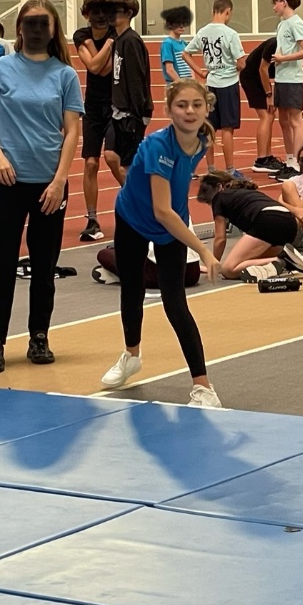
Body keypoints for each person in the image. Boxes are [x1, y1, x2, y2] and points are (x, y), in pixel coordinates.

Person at [100, 79, 222, 406]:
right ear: (168, 110)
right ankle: (131, 356)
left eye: (196, 105)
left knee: (175, 303)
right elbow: (161, 210)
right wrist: (203, 249)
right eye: (181, 105)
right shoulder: (157, 147)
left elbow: (170, 209)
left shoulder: (204, 140)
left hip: (169, 226)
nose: (189, 111)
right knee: (132, 289)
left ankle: (203, 387)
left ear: (206, 108)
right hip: (134, 218)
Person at [0, 0, 83, 372]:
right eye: (30, 23)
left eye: (43, 23)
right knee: (3, 265)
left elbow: (72, 132)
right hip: (9, 181)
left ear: (53, 30)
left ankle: (39, 336)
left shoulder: (65, 75)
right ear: (20, 27)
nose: (37, 29)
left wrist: (59, 181)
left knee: (44, 266)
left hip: (49, 186)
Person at [196, 168, 303, 282]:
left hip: (268, 221)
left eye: (208, 199)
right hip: (289, 223)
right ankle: (279, 261)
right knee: (247, 262)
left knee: (228, 270)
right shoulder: (245, 192)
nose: (209, 204)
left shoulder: (219, 198)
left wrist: (212, 263)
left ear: (219, 187)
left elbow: (220, 239)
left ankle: (283, 261)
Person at [184, 0, 247, 173]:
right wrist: (235, 67)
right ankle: (230, 169)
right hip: (228, 83)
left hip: (211, 84)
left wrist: (200, 72)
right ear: (228, 12)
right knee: (227, 128)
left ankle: (211, 168)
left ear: (213, 11)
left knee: (209, 128)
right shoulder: (230, 34)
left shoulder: (202, 32)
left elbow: (186, 54)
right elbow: (242, 62)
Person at [72, 0, 115, 242]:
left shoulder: (117, 33)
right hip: (93, 108)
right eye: (95, 12)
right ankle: (92, 218)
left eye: (104, 12)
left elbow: (104, 68)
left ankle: (140, 204)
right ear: (86, 15)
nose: (100, 16)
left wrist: (95, 49)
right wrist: (109, 45)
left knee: (115, 159)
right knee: (90, 163)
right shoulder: (81, 35)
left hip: (116, 106)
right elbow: (95, 67)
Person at [104, 0, 152, 187]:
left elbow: (136, 79)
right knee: (110, 155)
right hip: (118, 111)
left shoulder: (131, 41)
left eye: (115, 11)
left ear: (129, 13)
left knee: (129, 164)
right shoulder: (118, 39)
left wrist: (137, 114)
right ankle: (132, 194)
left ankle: (140, 198)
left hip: (131, 114)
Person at [269, 0, 303, 178]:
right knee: (283, 120)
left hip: (293, 79)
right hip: (281, 78)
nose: (274, 7)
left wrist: (283, 58)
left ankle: (299, 164)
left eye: (275, 3)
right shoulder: (282, 25)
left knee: (295, 121)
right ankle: (290, 160)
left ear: (284, 2)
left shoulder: (296, 23)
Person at [241, 34, 281, 174]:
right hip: (251, 77)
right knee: (266, 116)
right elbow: (262, 69)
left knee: (270, 115)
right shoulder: (274, 43)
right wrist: (269, 94)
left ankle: (267, 156)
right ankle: (261, 159)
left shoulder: (287, 46)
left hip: (259, 77)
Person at [160, 6, 193, 82]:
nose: (182, 26)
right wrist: (180, 84)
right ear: (170, 25)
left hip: (187, 84)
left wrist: (192, 84)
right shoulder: (167, 44)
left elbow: (190, 67)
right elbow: (169, 70)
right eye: (178, 23)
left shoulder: (185, 44)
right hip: (176, 85)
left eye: (184, 23)